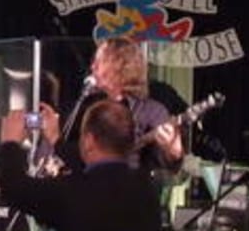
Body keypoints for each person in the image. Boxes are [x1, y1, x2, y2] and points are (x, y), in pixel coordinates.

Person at [0, 98, 163, 231]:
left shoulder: (70, 192)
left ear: (89, 141)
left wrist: (10, 143)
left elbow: (14, 187)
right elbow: (99, 168)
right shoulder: (145, 189)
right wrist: (57, 141)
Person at [44, 39, 182, 174]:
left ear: (120, 66)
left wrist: (174, 151)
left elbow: (170, 167)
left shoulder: (151, 112)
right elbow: (81, 158)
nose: (92, 67)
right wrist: (56, 141)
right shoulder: (88, 105)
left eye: (99, 61)